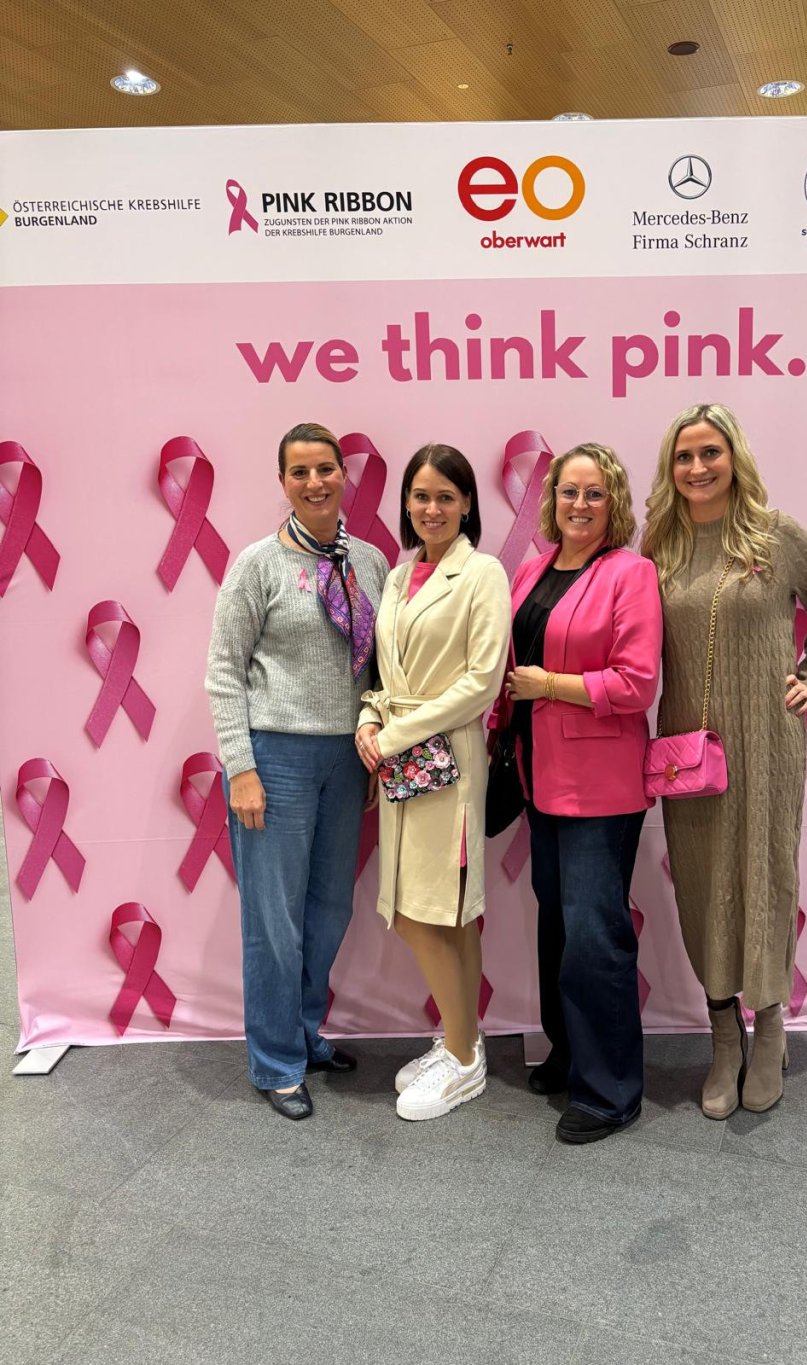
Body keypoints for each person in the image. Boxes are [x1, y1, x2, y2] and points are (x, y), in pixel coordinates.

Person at [641, 404, 807, 1118]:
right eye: (684, 456)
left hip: (767, 739)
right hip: (687, 750)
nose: (697, 467)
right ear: (671, 468)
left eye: (711, 452)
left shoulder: (776, 534)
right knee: (702, 883)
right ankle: (724, 1036)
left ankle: (770, 1028)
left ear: (734, 457)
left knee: (764, 874)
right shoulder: (661, 545)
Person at [206, 422, 388, 1121]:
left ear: (344, 475)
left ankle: (307, 1032)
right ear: (282, 482)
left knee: (329, 907)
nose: (315, 482)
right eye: (300, 472)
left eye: (325, 469)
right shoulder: (256, 565)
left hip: (345, 758)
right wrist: (240, 767)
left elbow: (376, 668)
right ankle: (276, 1060)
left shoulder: (369, 562)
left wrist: (370, 745)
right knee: (274, 918)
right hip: (275, 759)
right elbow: (224, 671)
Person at [494, 442, 662, 1144]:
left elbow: (637, 683)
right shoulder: (531, 569)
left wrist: (551, 685)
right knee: (558, 927)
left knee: (595, 935)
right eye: (569, 491)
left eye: (595, 493)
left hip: (600, 787)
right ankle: (569, 1053)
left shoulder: (631, 573)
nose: (580, 504)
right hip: (539, 777)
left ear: (613, 502)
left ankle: (611, 1090)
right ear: (552, 498)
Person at [356, 444, 510, 1123]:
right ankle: (461, 1039)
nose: (432, 508)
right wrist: (371, 716)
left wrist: (393, 735)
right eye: (421, 495)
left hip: (447, 761)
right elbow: (385, 672)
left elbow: (481, 682)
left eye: (446, 496)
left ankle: (463, 1057)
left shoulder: (482, 573)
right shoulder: (398, 576)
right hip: (400, 761)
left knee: (430, 907)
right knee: (445, 910)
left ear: (468, 503)